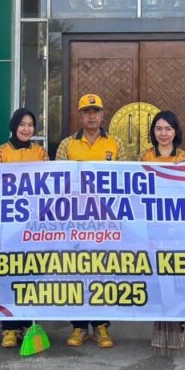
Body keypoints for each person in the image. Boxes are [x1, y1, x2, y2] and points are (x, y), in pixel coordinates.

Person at [55, 93, 127, 348]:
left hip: (105, 219)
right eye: (87, 111)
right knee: (76, 270)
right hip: (75, 219)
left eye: (96, 111)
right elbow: (58, 180)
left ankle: (101, 325)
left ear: (103, 115)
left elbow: (125, 177)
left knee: (103, 270)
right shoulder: (67, 144)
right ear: (80, 116)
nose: (92, 116)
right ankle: (78, 326)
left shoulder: (116, 143)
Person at [0, 108, 48, 347]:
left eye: (30, 125)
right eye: (22, 124)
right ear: (14, 126)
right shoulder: (0, 152)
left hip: (34, 225)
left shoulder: (40, 152)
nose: (26, 128)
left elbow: (49, 184)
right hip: (8, 224)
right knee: (8, 272)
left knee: (33, 273)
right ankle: (9, 328)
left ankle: (29, 324)